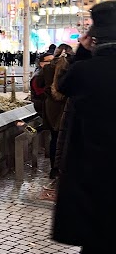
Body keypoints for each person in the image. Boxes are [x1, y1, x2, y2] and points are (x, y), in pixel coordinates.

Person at [52, 2, 116, 254]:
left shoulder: (86, 74)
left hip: (92, 182)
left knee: (94, 251)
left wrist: (81, 49)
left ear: (96, 37)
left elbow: (64, 83)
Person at [43, 43, 74, 181]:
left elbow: (39, 83)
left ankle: (53, 170)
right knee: (66, 137)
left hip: (51, 106)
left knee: (54, 137)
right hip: (66, 105)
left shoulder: (48, 68)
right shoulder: (72, 67)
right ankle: (64, 168)